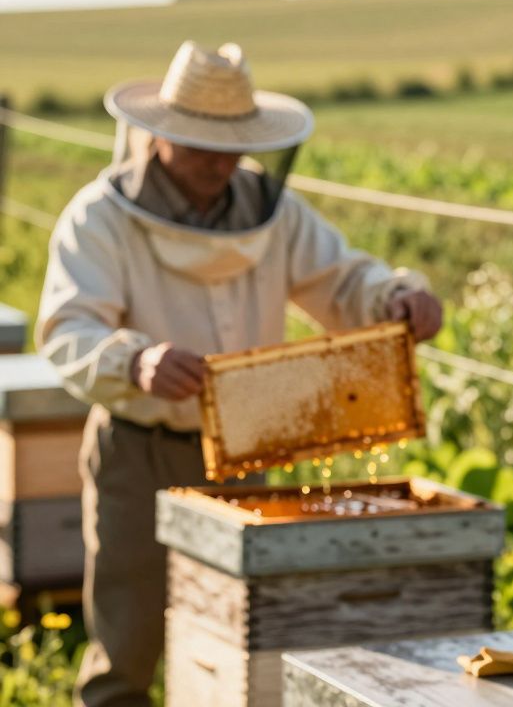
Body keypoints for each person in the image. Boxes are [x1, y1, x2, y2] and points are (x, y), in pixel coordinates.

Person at [37, 40, 443, 707]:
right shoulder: (100, 217)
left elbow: (342, 280)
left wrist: (393, 297)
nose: (217, 162)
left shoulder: (271, 210)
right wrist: (135, 361)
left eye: (230, 145)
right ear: (161, 134)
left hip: (245, 452)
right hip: (139, 453)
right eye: (199, 144)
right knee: (127, 640)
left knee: (230, 646)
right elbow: (68, 329)